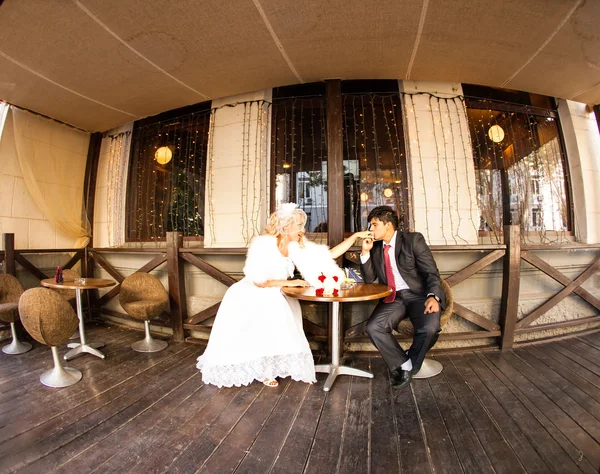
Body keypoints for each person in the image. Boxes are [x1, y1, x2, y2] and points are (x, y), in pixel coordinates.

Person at [197, 203, 371, 388]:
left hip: (276, 292)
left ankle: (269, 368)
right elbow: (259, 281)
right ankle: (263, 371)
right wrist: (289, 282)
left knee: (278, 309)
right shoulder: (263, 244)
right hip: (251, 292)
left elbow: (327, 255)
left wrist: (355, 238)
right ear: (286, 227)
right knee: (271, 312)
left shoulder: (296, 246)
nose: (303, 230)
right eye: (299, 226)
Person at [360, 206, 445, 389]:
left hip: (419, 295)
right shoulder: (374, 247)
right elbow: (369, 279)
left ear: (388, 225)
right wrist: (365, 252)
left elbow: (431, 272)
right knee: (374, 327)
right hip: (394, 298)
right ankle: (405, 364)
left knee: (430, 328)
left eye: (374, 225)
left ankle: (409, 366)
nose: (370, 230)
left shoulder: (413, 240)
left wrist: (433, 297)